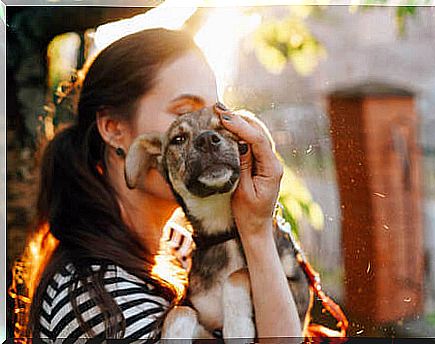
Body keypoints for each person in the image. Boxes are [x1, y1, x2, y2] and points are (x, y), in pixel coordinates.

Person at [27, 28, 301, 341]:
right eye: (184, 114)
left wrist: (256, 228)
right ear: (114, 129)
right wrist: (256, 232)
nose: (208, 133)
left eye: (216, 115)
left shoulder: (181, 247)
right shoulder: (93, 300)